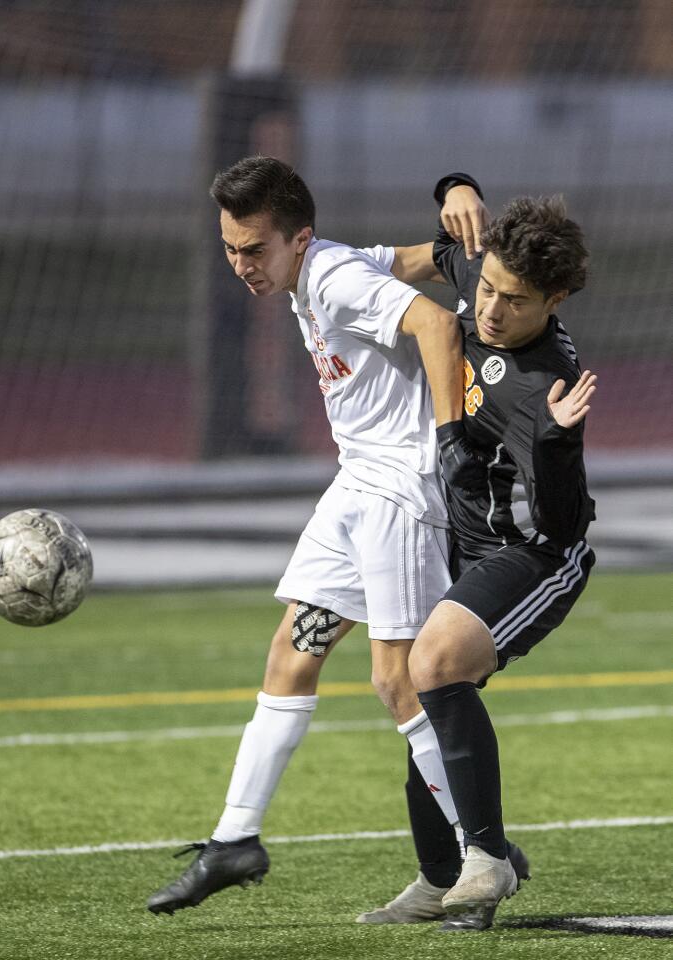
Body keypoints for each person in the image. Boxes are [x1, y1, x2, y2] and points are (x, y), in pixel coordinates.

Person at [146, 157, 527, 918]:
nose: (240, 265)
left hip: (398, 494)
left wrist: (450, 437)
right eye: (229, 248)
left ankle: (482, 854)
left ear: (299, 240)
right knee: (292, 652)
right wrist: (452, 213)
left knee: (399, 682)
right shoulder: (325, 265)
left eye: (254, 249)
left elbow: (431, 322)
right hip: (355, 490)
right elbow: (418, 262)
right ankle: (234, 841)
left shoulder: (332, 279)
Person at [361, 172, 596, 932]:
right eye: (488, 289)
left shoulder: (542, 385)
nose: (490, 311)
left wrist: (559, 444)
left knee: (432, 666)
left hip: (532, 556)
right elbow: (454, 246)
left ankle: (487, 858)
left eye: (515, 300)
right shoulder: (479, 278)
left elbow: (561, 526)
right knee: (409, 687)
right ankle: (438, 879)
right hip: (464, 549)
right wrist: (455, 184)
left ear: (553, 301)